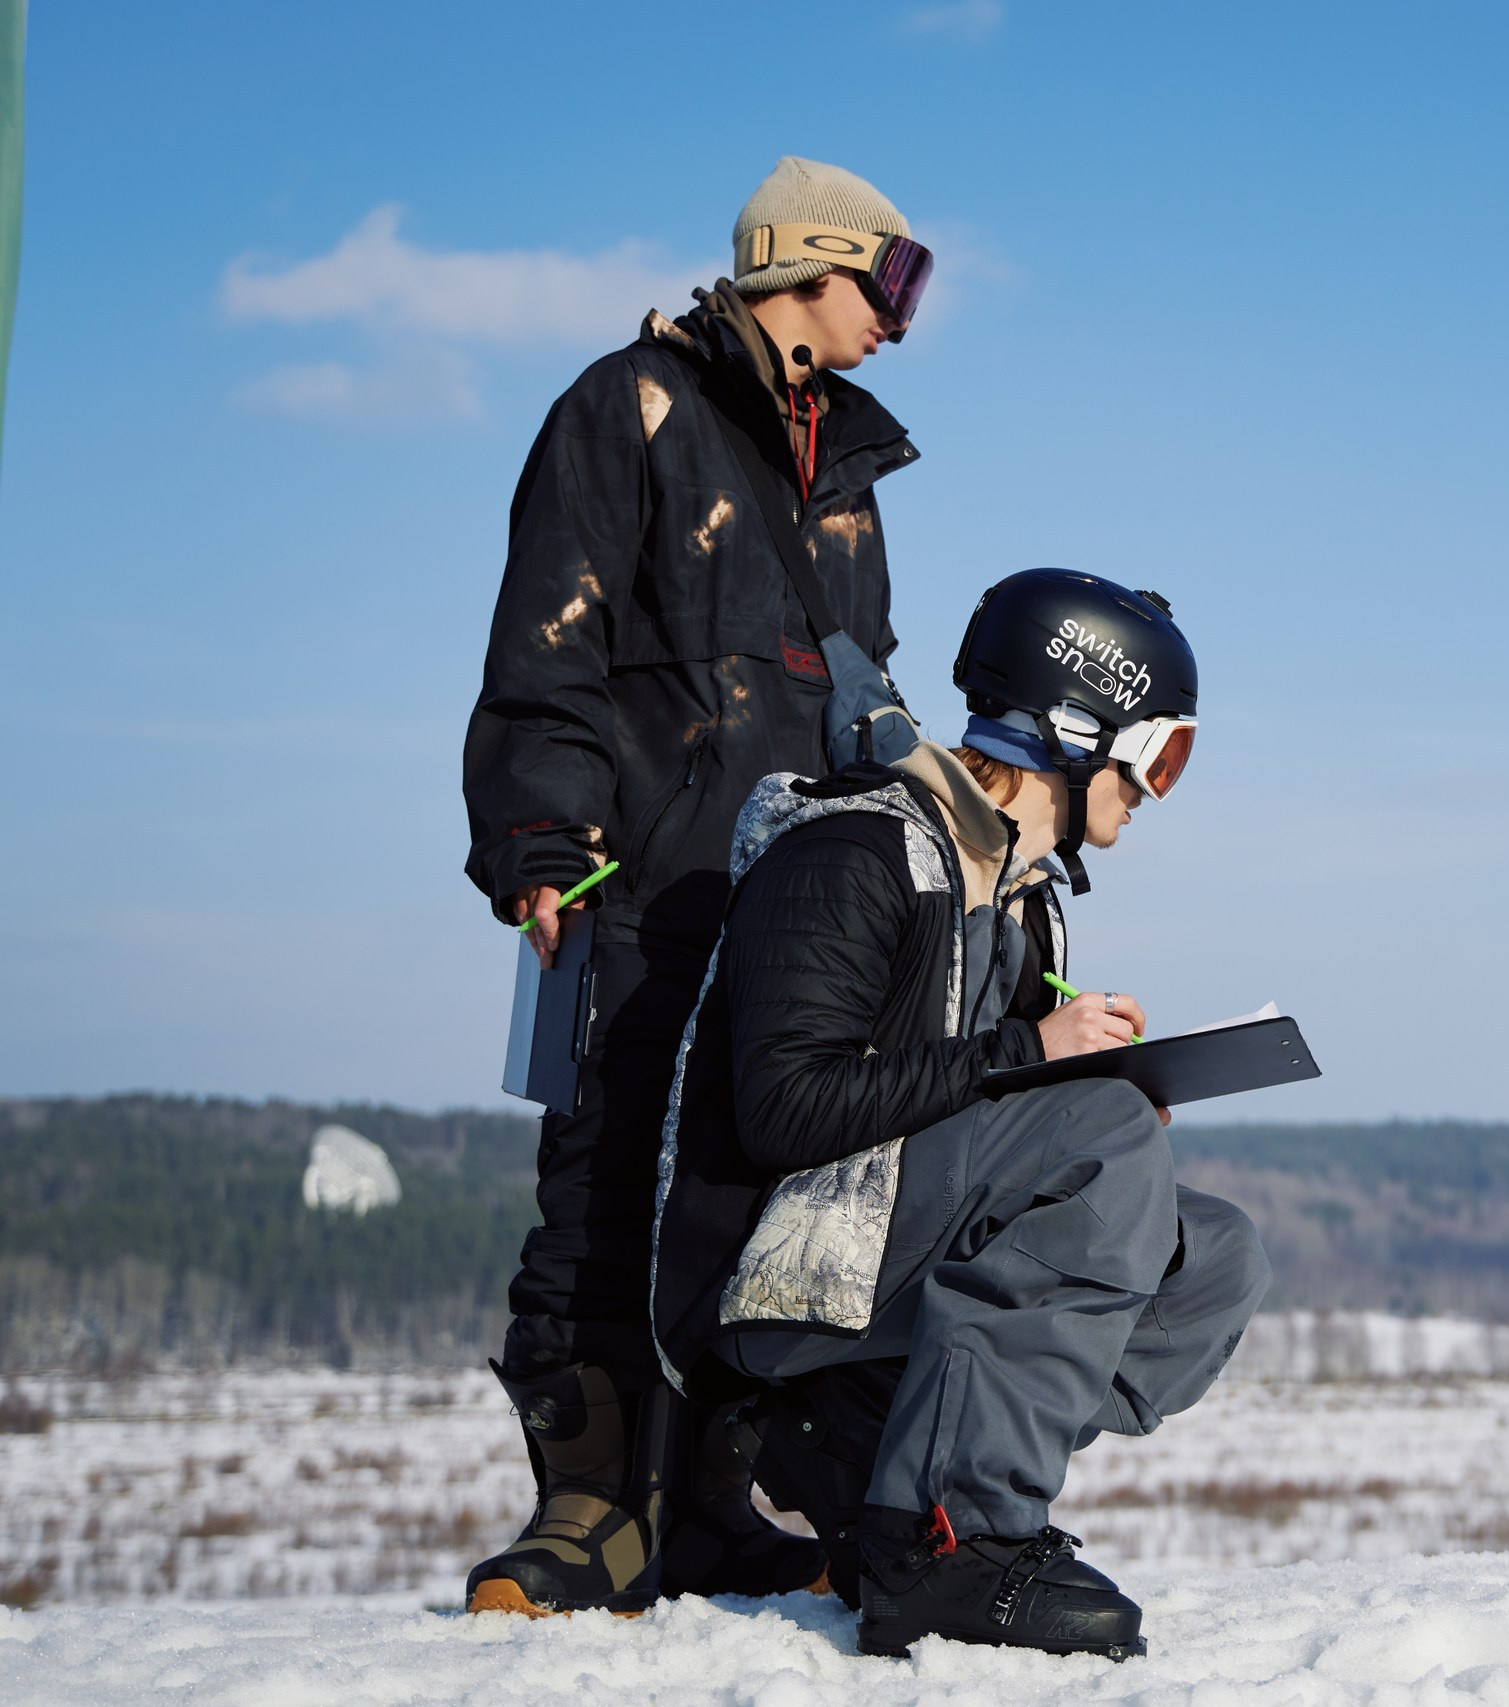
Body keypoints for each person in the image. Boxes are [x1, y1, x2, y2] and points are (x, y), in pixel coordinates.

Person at [460, 157, 937, 1615]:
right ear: (806, 265)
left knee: (753, 1187)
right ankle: (590, 1509)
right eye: (892, 281)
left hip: (789, 905)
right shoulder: (629, 412)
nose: (903, 320)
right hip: (634, 882)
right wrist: (546, 850)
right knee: (604, 1176)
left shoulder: (845, 473)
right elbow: (546, 653)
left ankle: (712, 1508)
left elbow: (874, 696)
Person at [651, 569, 1270, 1659]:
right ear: (1076, 731)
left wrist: (1095, 1085)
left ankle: (887, 1437)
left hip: (879, 1246)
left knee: (1212, 1253)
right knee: (1099, 1149)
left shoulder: (1021, 900)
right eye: (1158, 755)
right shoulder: (851, 856)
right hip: (766, 1274)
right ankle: (948, 1542)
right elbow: (784, 1111)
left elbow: (981, 1101)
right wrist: (1038, 1060)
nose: (1159, 789)